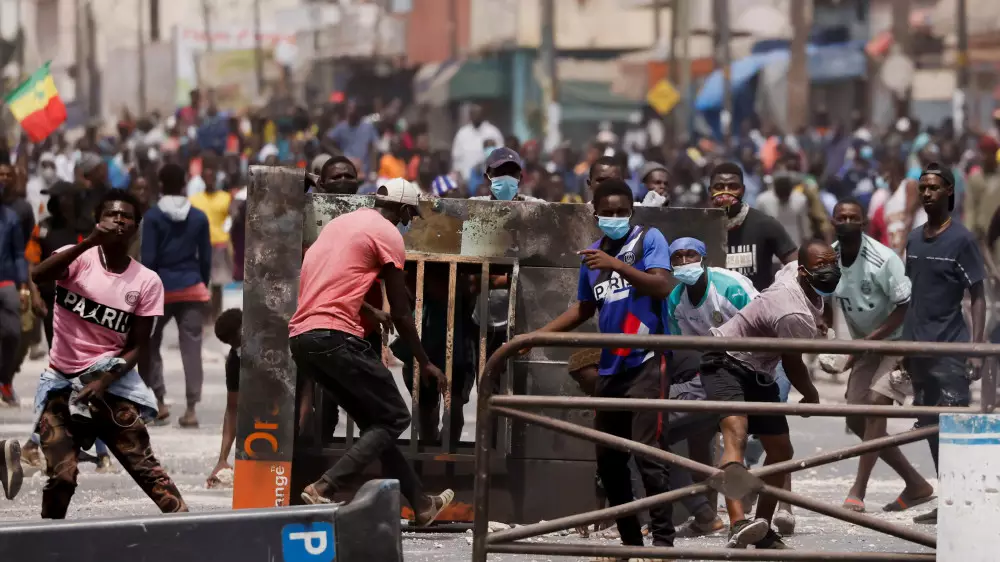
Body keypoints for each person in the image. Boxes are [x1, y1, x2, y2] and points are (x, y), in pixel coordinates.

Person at [288, 178, 454, 524]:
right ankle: (325, 485)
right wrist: (425, 362)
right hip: (336, 337)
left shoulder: (340, 225)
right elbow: (402, 313)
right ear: (404, 209)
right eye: (410, 215)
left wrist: (369, 310)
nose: (409, 222)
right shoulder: (387, 234)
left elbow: (328, 283)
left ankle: (421, 504)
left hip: (304, 338)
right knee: (395, 417)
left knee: (375, 425)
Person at [526, 178, 677, 551]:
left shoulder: (648, 239)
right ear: (595, 214)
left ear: (631, 211)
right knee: (609, 461)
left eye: (621, 211)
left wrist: (616, 265)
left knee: (649, 456)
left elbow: (662, 286)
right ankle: (630, 545)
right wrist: (536, 336)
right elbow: (584, 308)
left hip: (646, 360)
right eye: (607, 212)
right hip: (612, 366)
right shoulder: (592, 256)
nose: (615, 217)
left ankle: (663, 545)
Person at [30, 189, 188, 519]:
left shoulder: (147, 282)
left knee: (149, 472)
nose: (118, 220)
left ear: (135, 227)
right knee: (61, 476)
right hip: (62, 385)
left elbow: (137, 346)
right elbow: (38, 275)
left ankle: (191, 534)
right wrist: (88, 243)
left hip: (111, 385)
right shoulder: (76, 258)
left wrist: (103, 381)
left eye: (126, 216)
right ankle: (48, 540)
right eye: (111, 214)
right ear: (98, 221)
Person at [699, 240, 828, 550]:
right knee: (736, 435)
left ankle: (763, 530)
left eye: (832, 263)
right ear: (804, 271)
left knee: (781, 451)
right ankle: (737, 524)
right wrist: (811, 395)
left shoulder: (792, 272)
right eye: (821, 265)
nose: (829, 270)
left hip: (759, 370)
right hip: (725, 360)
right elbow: (793, 363)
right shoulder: (793, 312)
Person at [828, 198, 934, 514]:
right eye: (842, 217)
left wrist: (868, 343)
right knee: (855, 416)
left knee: (876, 404)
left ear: (863, 223)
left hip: (898, 339)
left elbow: (905, 306)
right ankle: (916, 483)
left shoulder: (883, 259)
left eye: (854, 218)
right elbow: (825, 298)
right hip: (867, 344)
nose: (847, 222)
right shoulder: (830, 257)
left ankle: (857, 491)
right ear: (833, 222)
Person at [903, 163, 987, 525]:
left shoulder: (962, 240)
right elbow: (911, 294)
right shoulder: (914, 239)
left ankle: (968, 505)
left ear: (949, 191)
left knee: (955, 429)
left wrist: (977, 348)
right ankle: (949, 500)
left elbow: (978, 295)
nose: (927, 193)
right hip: (918, 350)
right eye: (922, 187)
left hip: (950, 349)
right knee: (930, 429)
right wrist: (904, 348)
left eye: (934, 188)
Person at [141, 163, 212, 427]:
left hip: (160, 290)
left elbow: (148, 258)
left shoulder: (152, 217)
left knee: (150, 344)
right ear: (184, 183)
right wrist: (201, 283)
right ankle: (191, 409)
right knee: (192, 349)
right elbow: (205, 258)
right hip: (192, 287)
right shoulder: (199, 217)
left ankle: (159, 401)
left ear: (160, 185)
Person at [709, 162, 797, 293]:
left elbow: (796, 268)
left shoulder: (765, 224)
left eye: (733, 187)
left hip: (758, 304)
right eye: (719, 187)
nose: (726, 192)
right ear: (710, 191)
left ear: (743, 190)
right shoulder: (700, 228)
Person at [189, 156, 233, 325]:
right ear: (201, 178)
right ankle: (205, 317)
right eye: (206, 176)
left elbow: (231, 220)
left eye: (211, 176)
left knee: (218, 284)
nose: (209, 179)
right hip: (200, 246)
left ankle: (216, 317)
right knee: (202, 284)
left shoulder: (225, 197)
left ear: (215, 178)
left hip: (220, 245)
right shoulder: (194, 200)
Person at [0, 159, 29, 406]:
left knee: (13, 333)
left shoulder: (11, 218)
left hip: (6, 282)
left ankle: (5, 380)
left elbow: (19, 253)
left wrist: (23, 286)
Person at [207, 308, 242, 487]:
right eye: (235, 345)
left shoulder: (275, 340)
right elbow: (233, 408)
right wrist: (222, 459)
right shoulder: (235, 361)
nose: (240, 349)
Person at [755, 172, 811, 247]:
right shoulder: (763, 201)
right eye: (780, 190)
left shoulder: (800, 200)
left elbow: (805, 227)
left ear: (791, 188)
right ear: (774, 187)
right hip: (771, 247)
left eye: (786, 190)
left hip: (795, 246)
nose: (784, 195)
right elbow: (758, 228)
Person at [451, 104, 504, 183]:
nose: (475, 116)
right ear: (470, 115)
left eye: (478, 113)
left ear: (483, 115)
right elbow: (456, 158)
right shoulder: (462, 133)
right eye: (473, 114)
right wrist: (459, 176)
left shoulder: (493, 132)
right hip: (466, 180)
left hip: (488, 180)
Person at [328, 101, 380, 175]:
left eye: (354, 109)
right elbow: (326, 142)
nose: (352, 111)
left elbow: (373, 149)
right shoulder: (341, 127)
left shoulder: (368, 127)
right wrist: (340, 156)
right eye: (350, 109)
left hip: (364, 172)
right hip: (346, 171)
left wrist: (373, 171)